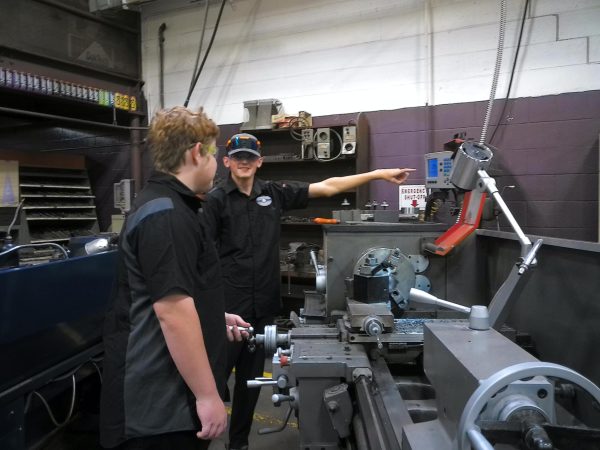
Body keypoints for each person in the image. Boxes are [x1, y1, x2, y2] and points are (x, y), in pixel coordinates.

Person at [201, 132, 415, 450]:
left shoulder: (274, 194)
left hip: (263, 308)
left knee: (250, 382)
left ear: (259, 162)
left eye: (250, 157)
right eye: (238, 157)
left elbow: (327, 186)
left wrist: (378, 174)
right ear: (226, 161)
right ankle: (202, 439)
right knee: (213, 379)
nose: (244, 162)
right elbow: (202, 257)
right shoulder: (215, 200)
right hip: (229, 309)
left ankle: (238, 444)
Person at [100, 107, 250, 450]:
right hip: (160, 410)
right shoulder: (166, 215)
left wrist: (213, 317)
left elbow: (172, 292)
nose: (215, 163)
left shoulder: (171, 206)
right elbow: (173, 312)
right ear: (197, 152)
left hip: (166, 403)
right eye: (213, 153)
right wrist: (208, 396)